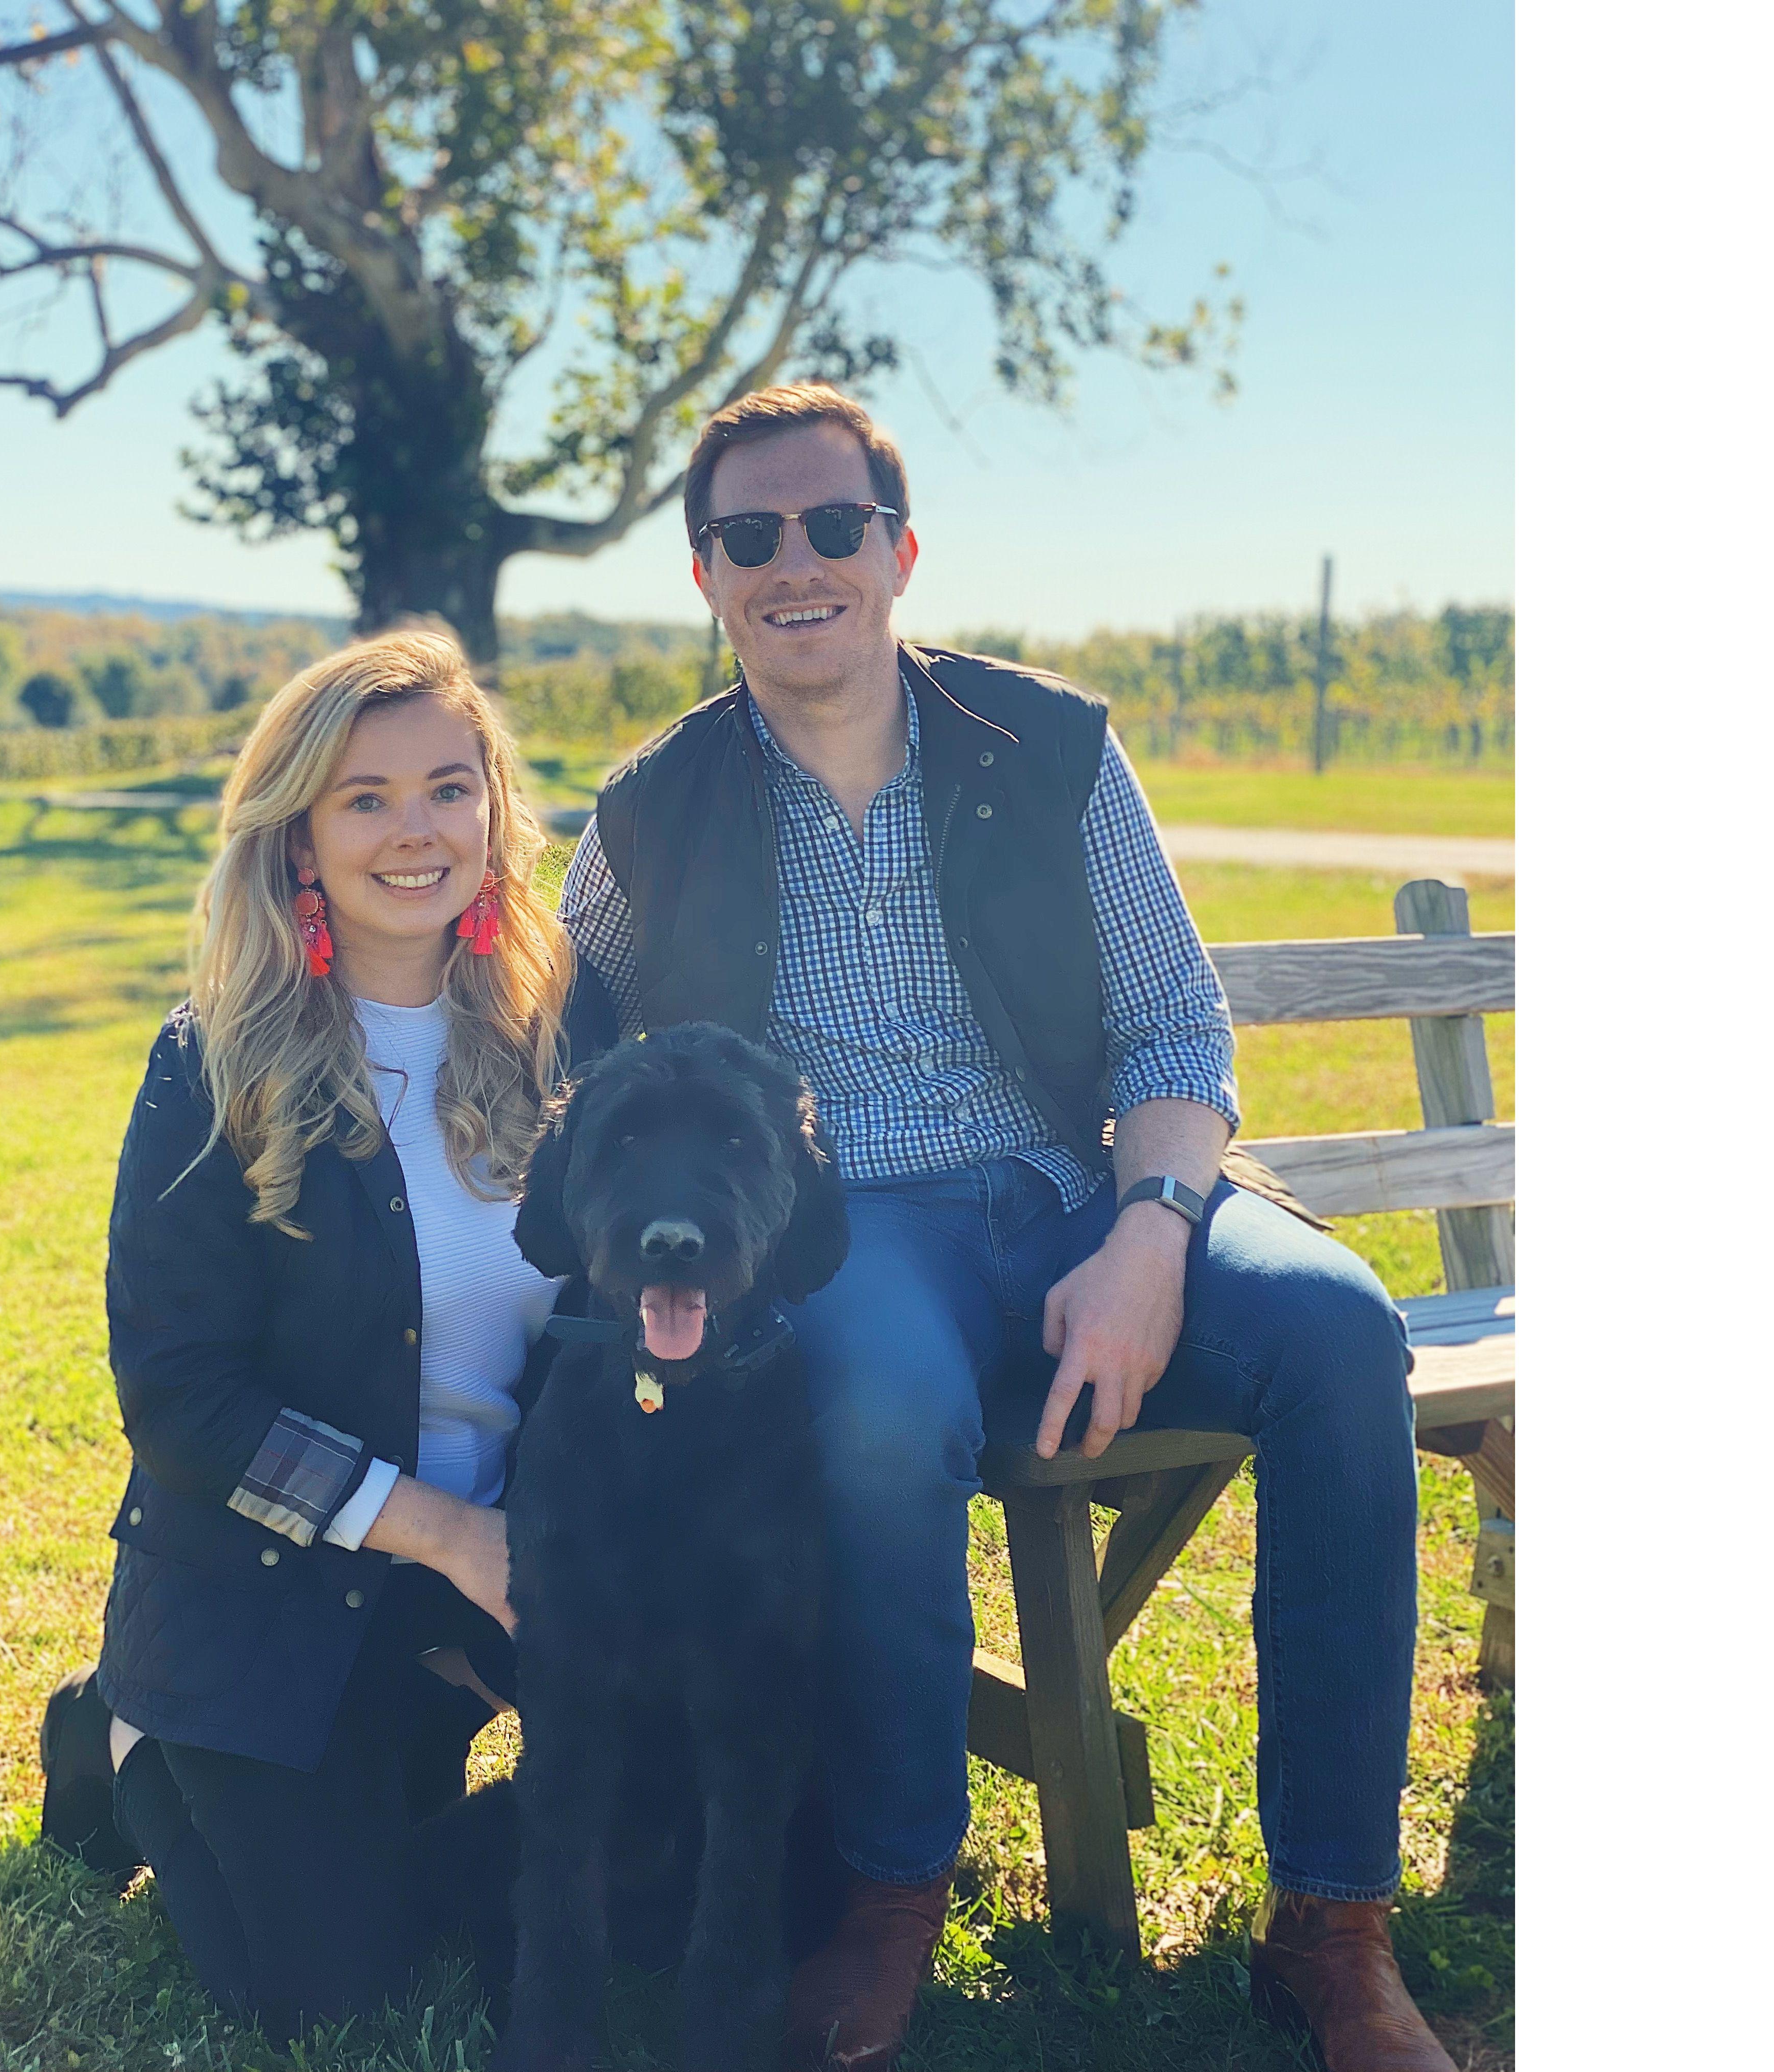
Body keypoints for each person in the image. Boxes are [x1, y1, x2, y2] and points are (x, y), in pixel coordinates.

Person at [558, 384, 1455, 2072]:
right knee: (884, 1401)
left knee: (1343, 1329)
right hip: (851, 1231)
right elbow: (567, 1029)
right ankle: (897, 1888)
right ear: (704, 575)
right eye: (749, 537)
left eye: (834, 526)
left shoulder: (1048, 751)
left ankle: (1334, 1924)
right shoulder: (652, 807)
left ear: (901, 553)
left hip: (1073, 1199)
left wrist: (1152, 1232)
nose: (795, 562)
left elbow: (1177, 1030)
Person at [37, 628, 613, 2035]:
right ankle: (119, 1737)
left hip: (501, 1568)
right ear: (298, 834)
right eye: (365, 798)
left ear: (493, 808)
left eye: (448, 788)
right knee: (327, 1991)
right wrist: (444, 1535)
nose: (416, 832)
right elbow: (182, 1402)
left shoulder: (568, 1025)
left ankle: (408, 1747)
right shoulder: (215, 1062)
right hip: (278, 1584)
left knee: (690, 1841)